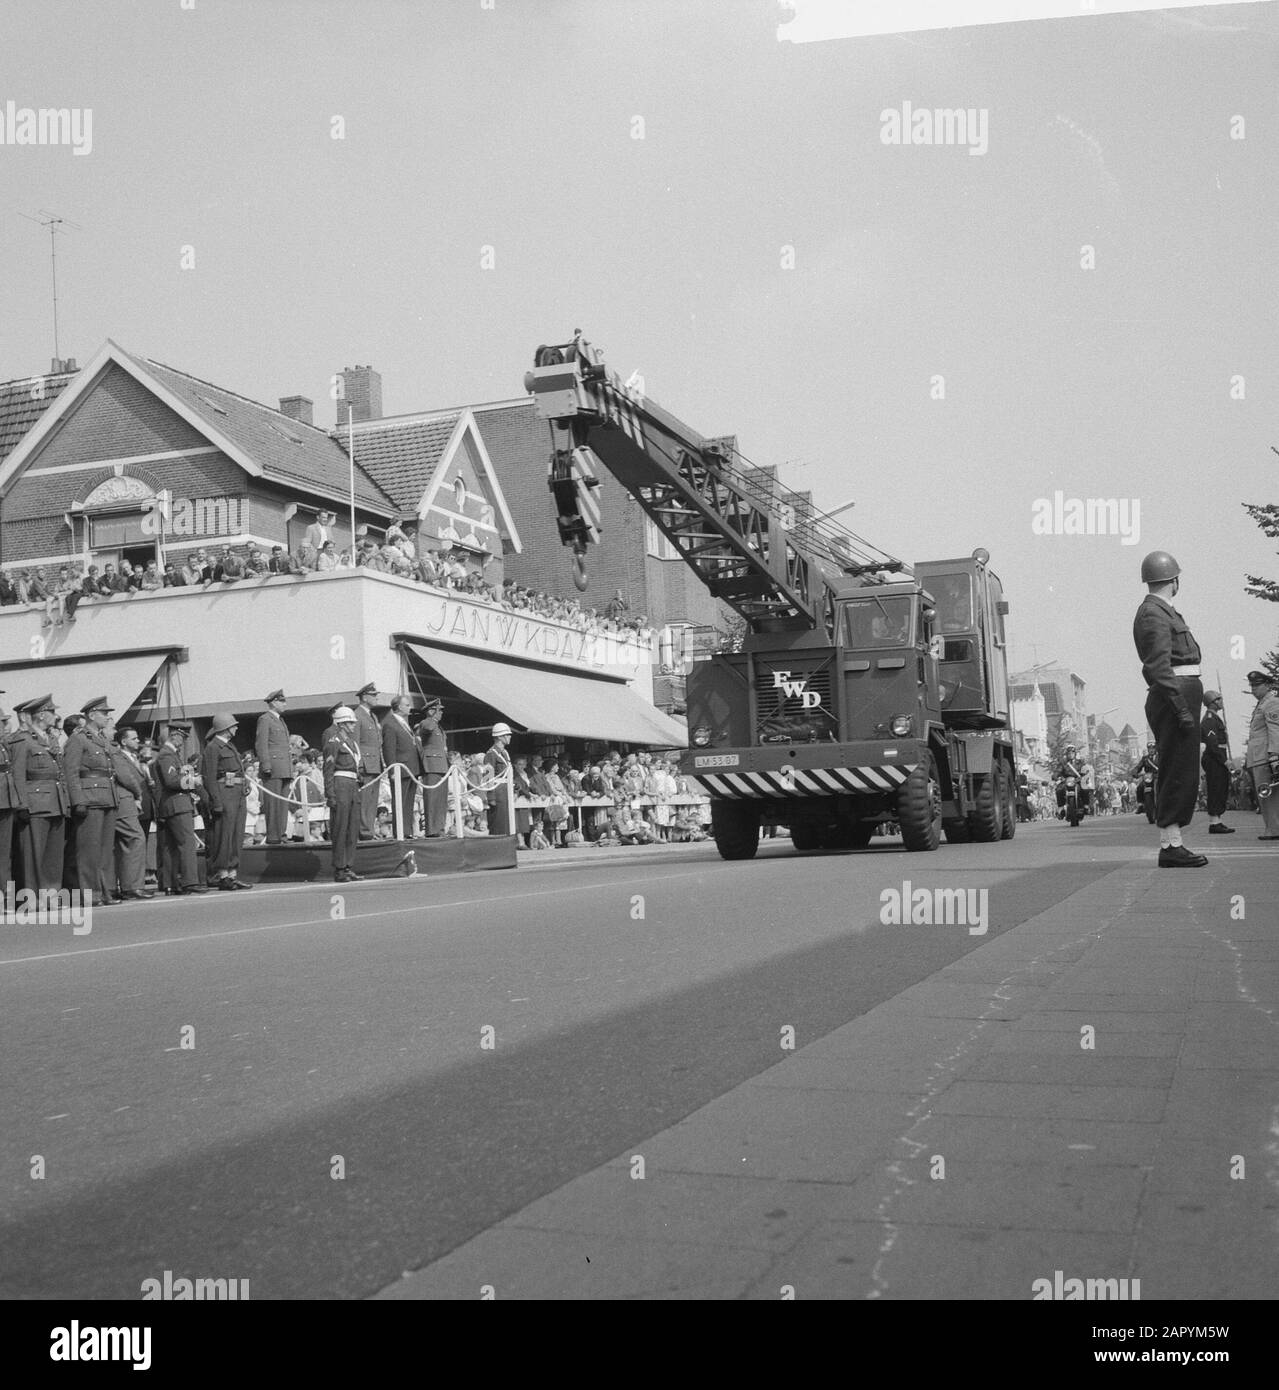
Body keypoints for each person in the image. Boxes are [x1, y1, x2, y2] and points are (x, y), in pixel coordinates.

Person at [1133, 551, 1206, 866]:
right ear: (1174, 580)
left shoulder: (1162, 611)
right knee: (1177, 770)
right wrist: (1181, 709)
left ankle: (1173, 842)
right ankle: (1170, 846)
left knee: (1182, 769)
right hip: (1173, 695)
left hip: (1178, 693)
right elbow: (1159, 667)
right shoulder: (1154, 614)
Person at [63, 696, 121, 905]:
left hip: (106, 796)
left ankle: (105, 892)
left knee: (105, 851)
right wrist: (78, 800)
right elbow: (71, 772)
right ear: (91, 715)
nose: (108, 716)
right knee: (88, 851)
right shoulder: (78, 739)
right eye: (104, 713)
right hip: (90, 798)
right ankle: (91, 894)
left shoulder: (101, 739)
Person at [11, 695, 70, 892]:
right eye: (52, 712)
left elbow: (60, 773)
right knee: (33, 853)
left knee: (53, 854)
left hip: (55, 801)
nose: (55, 716)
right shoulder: (23, 740)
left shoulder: (51, 739)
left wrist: (66, 801)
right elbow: (18, 774)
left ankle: (51, 893)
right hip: (35, 803)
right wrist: (22, 805)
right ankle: (32, 894)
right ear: (42, 715)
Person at [152, 721, 206, 894]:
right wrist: (193, 781)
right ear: (174, 736)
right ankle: (190, 881)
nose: (182, 742)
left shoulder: (169, 755)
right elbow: (172, 781)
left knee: (170, 847)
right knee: (186, 843)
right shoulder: (167, 755)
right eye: (181, 737)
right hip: (177, 804)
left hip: (172, 805)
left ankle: (170, 883)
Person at [202, 713, 252, 890]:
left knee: (236, 835)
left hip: (237, 793)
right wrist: (216, 801)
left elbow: (238, 770)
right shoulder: (213, 748)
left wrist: (245, 784)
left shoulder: (229, 746)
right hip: (225, 794)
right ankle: (223, 875)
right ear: (225, 727)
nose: (236, 728)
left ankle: (232, 874)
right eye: (233, 725)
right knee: (224, 836)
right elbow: (209, 777)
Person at [110, 726, 154, 899]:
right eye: (134, 738)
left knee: (129, 844)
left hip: (135, 803)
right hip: (126, 801)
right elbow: (128, 778)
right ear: (123, 741)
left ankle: (130, 884)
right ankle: (132, 885)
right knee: (136, 839)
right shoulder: (119, 756)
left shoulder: (136, 758)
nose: (138, 741)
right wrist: (138, 793)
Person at [323, 707, 363, 882]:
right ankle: (339, 868)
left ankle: (348, 866)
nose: (353, 725)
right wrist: (330, 794)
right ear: (342, 723)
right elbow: (328, 770)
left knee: (352, 828)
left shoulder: (352, 743)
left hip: (353, 785)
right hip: (340, 785)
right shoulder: (334, 742)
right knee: (340, 828)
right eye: (350, 722)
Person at [1244, 670, 1279, 841]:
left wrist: (1274, 755)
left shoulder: (1271, 703)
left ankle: (1273, 829)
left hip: (1265, 757)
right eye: (1252, 686)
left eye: (1257, 686)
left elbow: (1275, 730)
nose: (1253, 690)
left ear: (1267, 685)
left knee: (1268, 794)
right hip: (1258, 757)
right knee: (1265, 795)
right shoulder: (1262, 704)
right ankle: (1272, 827)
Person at [254, 690, 292, 845]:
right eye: (282, 701)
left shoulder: (280, 720)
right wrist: (266, 764)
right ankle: (274, 836)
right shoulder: (265, 719)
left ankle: (281, 835)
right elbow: (261, 743)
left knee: (282, 805)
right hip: (274, 767)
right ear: (274, 702)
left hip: (284, 767)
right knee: (273, 804)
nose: (285, 704)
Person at [380, 694, 421, 839]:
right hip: (400, 769)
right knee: (400, 801)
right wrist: (392, 770)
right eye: (407, 705)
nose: (410, 707)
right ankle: (400, 831)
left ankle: (407, 830)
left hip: (411, 768)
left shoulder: (403, 722)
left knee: (409, 802)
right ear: (399, 706)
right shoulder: (389, 723)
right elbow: (389, 749)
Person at [1198, 690, 1234, 834]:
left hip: (1217, 756)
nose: (1222, 702)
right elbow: (1212, 744)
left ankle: (1218, 821)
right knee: (1215, 789)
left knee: (1221, 788)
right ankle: (1214, 823)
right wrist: (1224, 761)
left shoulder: (1214, 718)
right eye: (1219, 699)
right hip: (1214, 758)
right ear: (1213, 702)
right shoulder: (1209, 719)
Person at [412, 697, 448, 838]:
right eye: (439, 710)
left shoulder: (438, 725)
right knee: (432, 798)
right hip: (431, 765)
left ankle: (440, 827)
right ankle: (432, 829)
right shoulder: (427, 722)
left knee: (441, 799)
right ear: (431, 711)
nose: (441, 713)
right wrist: (431, 717)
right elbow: (426, 728)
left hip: (441, 765)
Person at [352, 683, 384, 839]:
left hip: (375, 764)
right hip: (365, 764)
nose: (376, 697)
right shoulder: (357, 715)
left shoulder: (373, 716)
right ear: (364, 697)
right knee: (364, 801)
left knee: (372, 802)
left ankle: (369, 830)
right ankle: (364, 832)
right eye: (373, 695)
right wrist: (358, 765)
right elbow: (355, 742)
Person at [483, 722, 513, 835]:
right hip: (497, 791)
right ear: (499, 737)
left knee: (506, 821)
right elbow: (487, 777)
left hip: (506, 790)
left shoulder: (504, 753)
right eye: (507, 735)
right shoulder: (491, 754)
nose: (509, 737)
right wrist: (491, 797)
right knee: (498, 822)